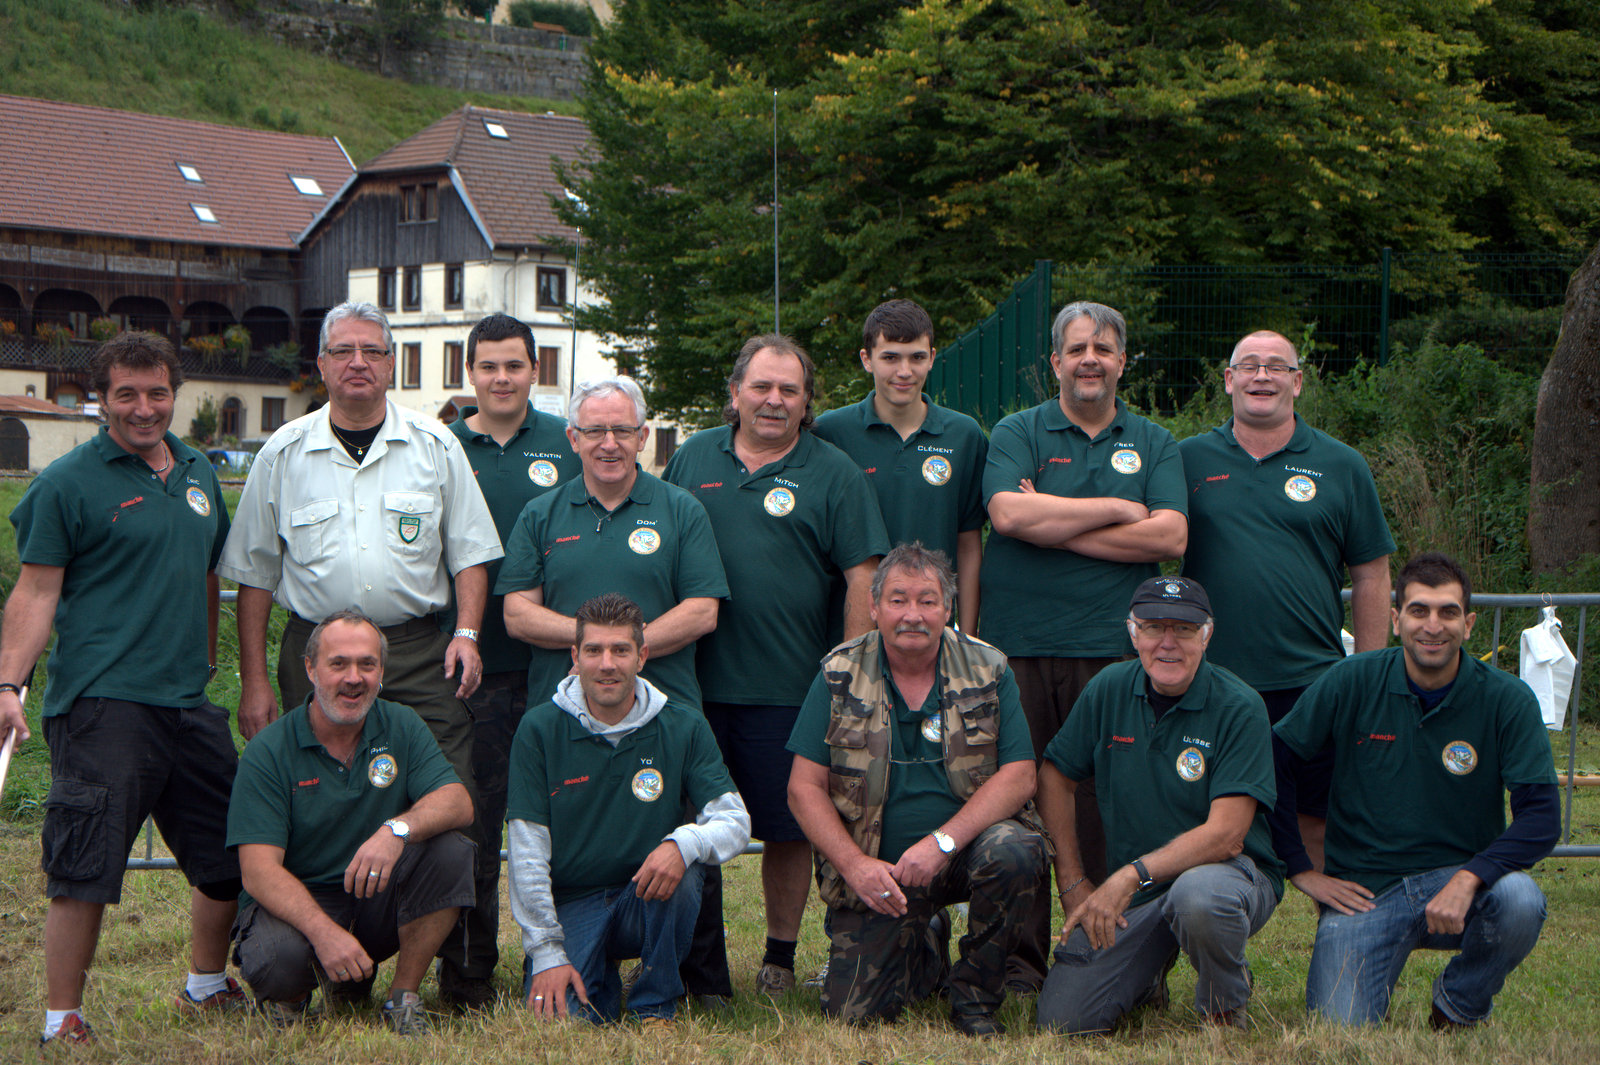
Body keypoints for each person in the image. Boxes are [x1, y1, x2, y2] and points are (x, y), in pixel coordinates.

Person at [2, 332, 243, 1047]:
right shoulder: (66, 484)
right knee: (85, 863)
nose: (144, 408)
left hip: (188, 702)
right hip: (103, 702)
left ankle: (206, 985)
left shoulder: (198, 472)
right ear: (100, 399)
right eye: (127, 394)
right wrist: (8, 682)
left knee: (231, 851)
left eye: (157, 393)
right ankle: (63, 1019)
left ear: (175, 395)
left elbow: (207, 572)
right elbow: (35, 592)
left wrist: (206, 663)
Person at [664, 334, 890, 995]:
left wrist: (845, 678)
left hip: (790, 687)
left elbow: (862, 575)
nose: (774, 400)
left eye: (789, 389)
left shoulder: (834, 472)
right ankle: (692, 964)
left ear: (807, 400)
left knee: (789, 828)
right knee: (689, 822)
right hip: (691, 684)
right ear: (735, 392)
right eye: (761, 386)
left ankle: (778, 960)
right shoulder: (693, 456)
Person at [218, 298, 500, 822]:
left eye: (372, 351)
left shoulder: (435, 445)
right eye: (342, 351)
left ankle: (433, 876)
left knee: (447, 796)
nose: (358, 362)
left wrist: (467, 634)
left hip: (416, 654)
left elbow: (471, 554)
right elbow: (254, 576)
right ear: (321, 365)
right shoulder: (282, 454)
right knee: (318, 803)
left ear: (391, 364)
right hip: (316, 653)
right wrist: (254, 680)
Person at [499, 376, 733, 1004]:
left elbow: (703, 609)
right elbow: (517, 613)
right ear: (572, 438)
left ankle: (698, 979)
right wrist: (599, 645)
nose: (609, 443)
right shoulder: (542, 513)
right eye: (595, 430)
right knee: (563, 840)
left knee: (682, 843)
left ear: (642, 437)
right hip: (567, 714)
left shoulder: (680, 509)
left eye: (622, 430)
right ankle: (560, 952)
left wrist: (626, 651)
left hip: (664, 709)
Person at [979, 300, 1188, 989]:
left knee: (1110, 801)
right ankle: (1020, 963)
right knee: (1019, 798)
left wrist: (1054, 524)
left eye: (1102, 348)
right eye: (1076, 349)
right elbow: (1007, 512)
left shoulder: (1154, 441)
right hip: (1021, 647)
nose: (1089, 359)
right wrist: (1120, 510)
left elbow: (1170, 536)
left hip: (1116, 650)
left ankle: (1118, 959)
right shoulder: (1018, 429)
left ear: (1123, 361)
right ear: (1056, 362)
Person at [1274, 552, 1558, 1029]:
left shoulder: (1506, 698)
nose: (1433, 625)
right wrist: (1299, 867)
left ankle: (1458, 1004)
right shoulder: (1350, 681)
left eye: (1448, 612)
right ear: (1395, 619)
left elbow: (1542, 819)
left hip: (1462, 882)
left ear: (1468, 624)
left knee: (1520, 900)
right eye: (1419, 610)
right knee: (1338, 1030)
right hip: (1366, 892)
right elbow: (1273, 761)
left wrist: (1469, 878)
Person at [787, 543, 1045, 1036]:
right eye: (898, 600)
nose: (913, 615)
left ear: (948, 608)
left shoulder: (989, 667)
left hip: (964, 852)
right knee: (854, 1015)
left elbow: (1019, 775)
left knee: (1015, 850)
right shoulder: (838, 673)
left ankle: (975, 997)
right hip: (880, 873)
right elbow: (803, 788)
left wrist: (941, 843)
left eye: (928, 601)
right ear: (874, 606)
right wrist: (855, 867)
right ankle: (927, 941)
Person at [1180, 329, 1394, 875]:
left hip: (1311, 683)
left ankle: (1342, 929)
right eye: (1249, 365)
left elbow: (1372, 575)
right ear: (1228, 380)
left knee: (1315, 825)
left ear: (1297, 383)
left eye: (1276, 366)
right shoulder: (1186, 459)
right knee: (1207, 828)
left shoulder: (1342, 464)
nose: (1262, 375)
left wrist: (1368, 674)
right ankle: (1214, 924)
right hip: (1211, 682)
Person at [1035, 576, 1283, 1034]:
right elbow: (1054, 776)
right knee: (1065, 1021)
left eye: (1184, 629)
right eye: (1153, 628)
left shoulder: (1240, 705)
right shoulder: (1109, 687)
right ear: (1133, 633)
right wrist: (1072, 881)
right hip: (1141, 895)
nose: (1167, 643)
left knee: (1198, 897)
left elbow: (1227, 836)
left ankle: (1223, 1006)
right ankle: (1146, 978)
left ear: (1207, 635)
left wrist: (1129, 875)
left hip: (1227, 877)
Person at [506, 593, 751, 1026]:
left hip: (645, 896)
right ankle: (596, 976)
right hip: (572, 904)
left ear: (642, 656)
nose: (607, 664)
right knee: (567, 1021)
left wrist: (683, 843)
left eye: (620, 650)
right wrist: (546, 951)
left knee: (686, 866)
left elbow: (734, 820)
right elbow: (527, 850)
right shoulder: (539, 728)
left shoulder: (683, 724)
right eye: (594, 651)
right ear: (575, 657)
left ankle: (655, 1005)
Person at [226, 611, 475, 1035]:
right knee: (280, 962)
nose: (354, 678)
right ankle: (295, 997)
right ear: (310, 669)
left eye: (367, 664)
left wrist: (394, 831)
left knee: (452, 851)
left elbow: (457, 801)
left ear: (382, 673)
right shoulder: (269, 750)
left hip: (373, 895)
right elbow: (258, 871)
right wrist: (325, 934)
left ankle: (402, 998)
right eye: (338, 664)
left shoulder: (401, 723)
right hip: (299, 902)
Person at [438, 312, 580, 1007]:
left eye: (514, 365)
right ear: (469, 373)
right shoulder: (439, 445)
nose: (501, 378)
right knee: (474, 825)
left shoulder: (570, 441)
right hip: (470, 672)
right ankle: (468, 975)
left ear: (535, 370)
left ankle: (565, 961)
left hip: (557, 668)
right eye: (488, 366)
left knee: (565, 821)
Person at [813, 299, 988, 631]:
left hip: (931, 630)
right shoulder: (830, 432)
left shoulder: (964, 436)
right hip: (851, 630)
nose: (904, 371)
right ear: (867, 359)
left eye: (917, 357)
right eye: (890, 357)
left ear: (932, 358)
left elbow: (969, 544)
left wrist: (966, 638)